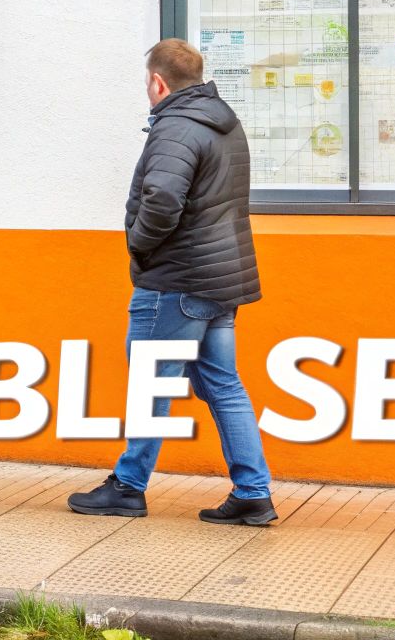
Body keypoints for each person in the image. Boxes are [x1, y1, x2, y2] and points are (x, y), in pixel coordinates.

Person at [67, 39, 277, 526]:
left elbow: (162, 199)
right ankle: (253, 491)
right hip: (218, 281)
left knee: (150, 384)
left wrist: (140, 245)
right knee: (224, 385)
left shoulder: (176, 127)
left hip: (177, 282)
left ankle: (128, 486)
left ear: (158, 82)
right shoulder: (222, 120)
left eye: (147, 83)